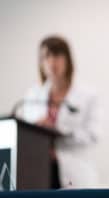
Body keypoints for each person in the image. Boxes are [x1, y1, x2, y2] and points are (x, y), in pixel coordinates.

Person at [16, 35, 101, 188]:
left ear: (68, 60)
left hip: (73, 171)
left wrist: (58, 131)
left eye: (57, 55)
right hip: (37, 168)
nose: (52, 62)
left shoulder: (88, 95)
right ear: (40, 63)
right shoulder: (32, 95)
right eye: (46, 56)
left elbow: (93, 135)